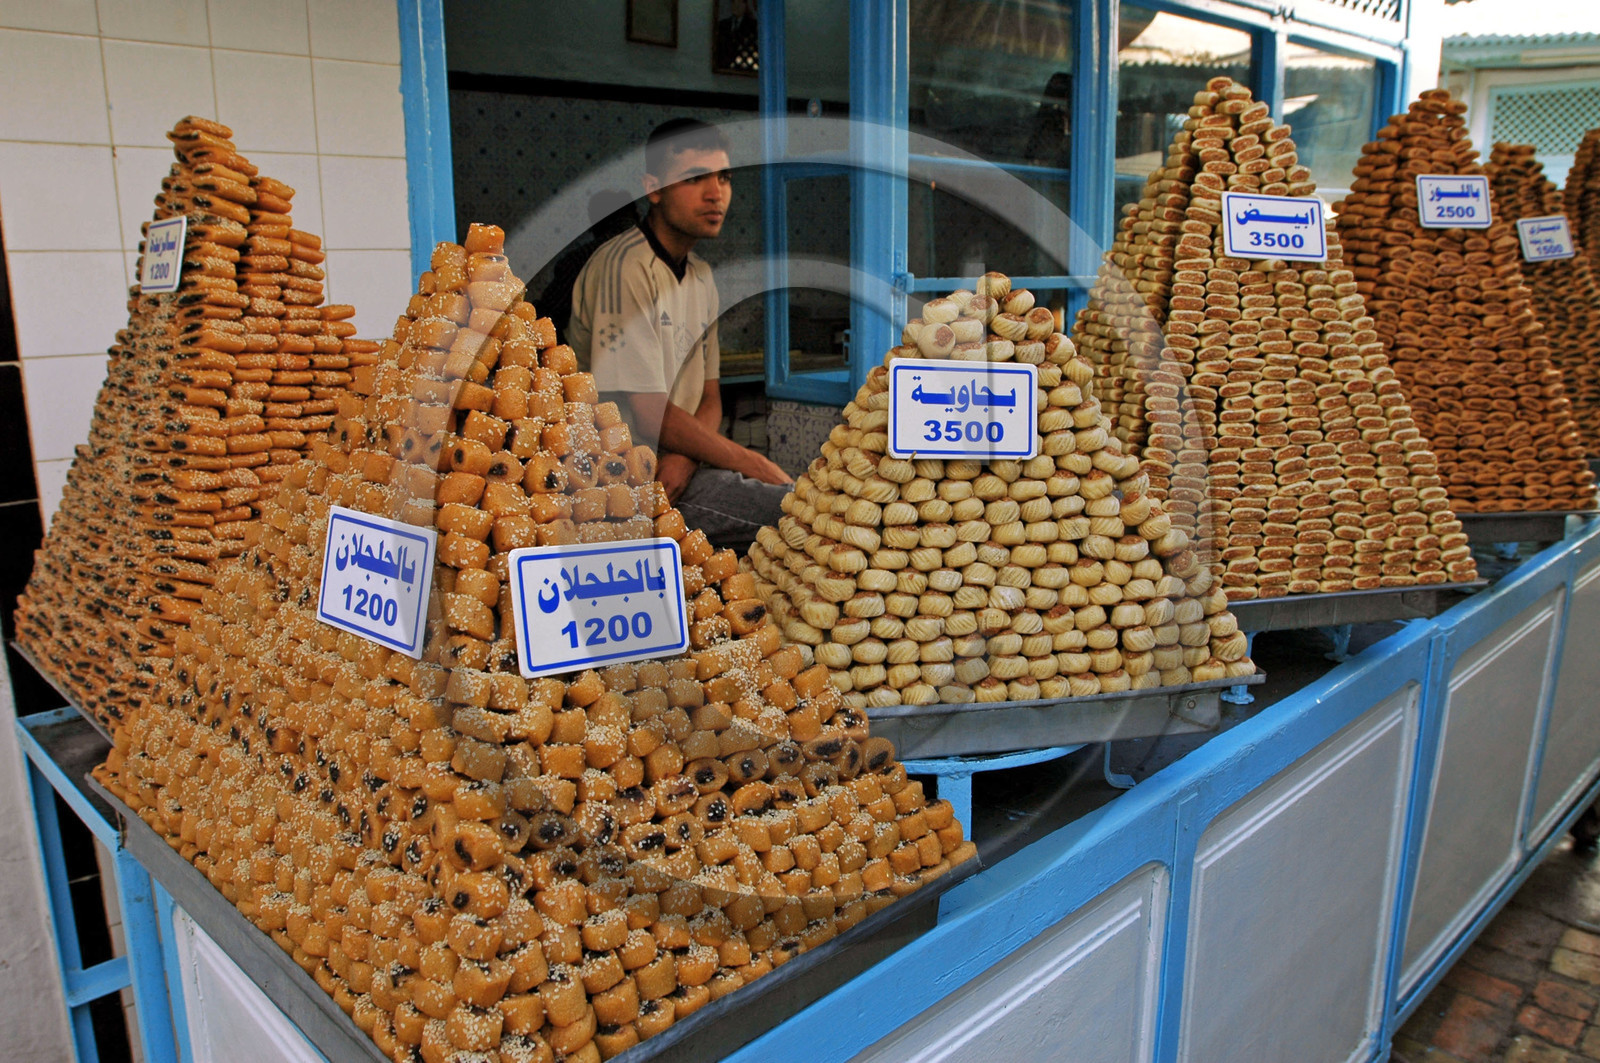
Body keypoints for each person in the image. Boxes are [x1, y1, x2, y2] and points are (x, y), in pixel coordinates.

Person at [568, 118, 792, 555]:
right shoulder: (624, 267)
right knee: (802, 512)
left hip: (678, 468)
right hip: (623, 481)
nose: (716, 193)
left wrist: (687, 458)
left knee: (803, 508)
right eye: (695, 178)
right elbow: (649, 415)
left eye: (724, 176)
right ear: (653, 188)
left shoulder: (701, 276)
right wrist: (753, 462)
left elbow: (710, 398)